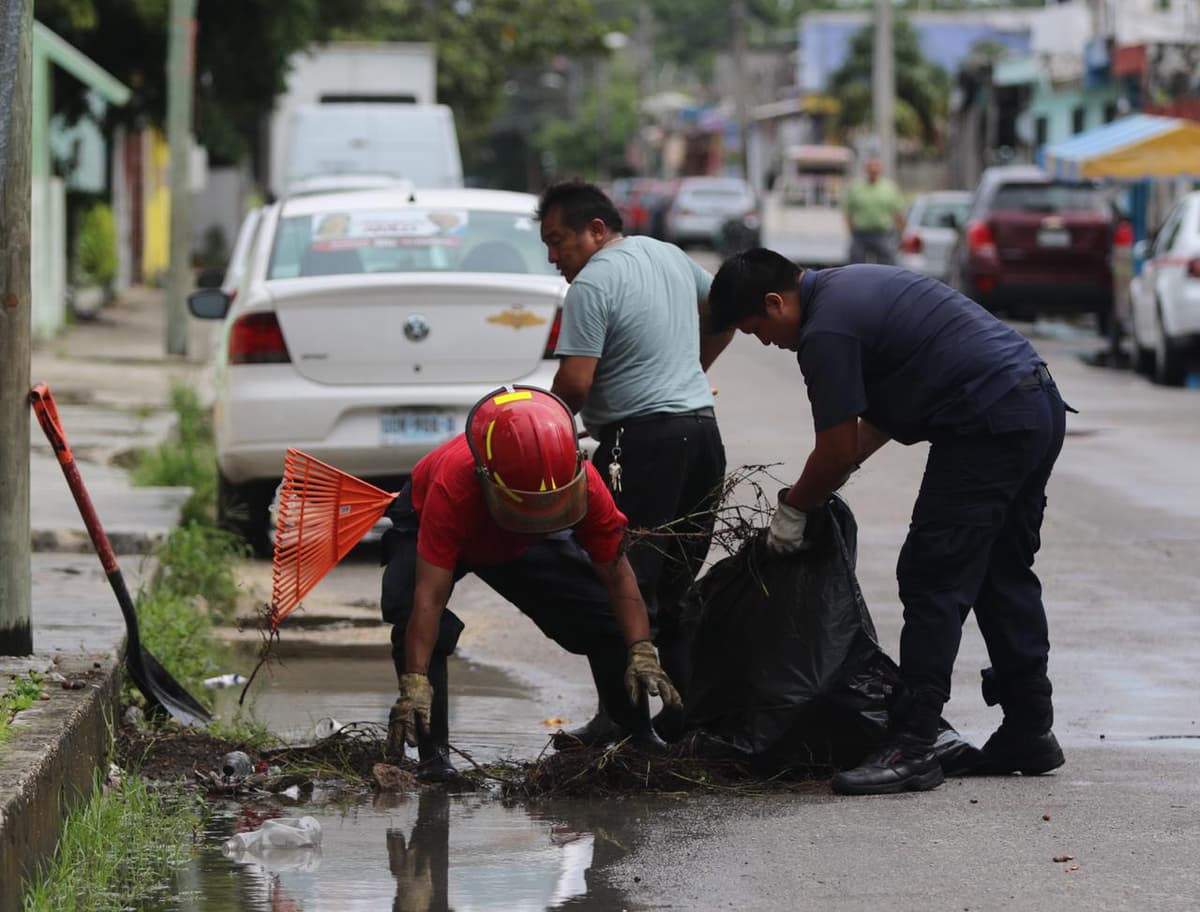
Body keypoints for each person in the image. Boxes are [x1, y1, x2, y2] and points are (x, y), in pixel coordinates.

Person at [707, 249, 1069, 796]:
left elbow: (833, 450)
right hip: (1036, 402)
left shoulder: (825, 331)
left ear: (776, 302)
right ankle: (1029, 728)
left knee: (932, 574)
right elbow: (861, 434)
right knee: (1001, 570)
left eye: (756, 328)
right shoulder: (850, 289)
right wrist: (821, 486)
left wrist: (794, 509)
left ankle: (913, 745)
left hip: (988, 420)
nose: (764, 342)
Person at [381, 385, 680, 781]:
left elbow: (617, 575)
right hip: (439, 522)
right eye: (531, 507)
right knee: (413, 622)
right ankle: (434, 760)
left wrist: (641, 650)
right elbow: (429, 597)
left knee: (604, 614)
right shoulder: (453, 486)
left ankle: (636, 734)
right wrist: (415, 682)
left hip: (520, 540)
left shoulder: (582, 481)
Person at [537, 179, 732, 744]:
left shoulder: (592, 283)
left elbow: (574, 383)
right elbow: (723, 311)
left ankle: (622, 725)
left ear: (596, 230)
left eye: (559, 241)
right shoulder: (668, 254)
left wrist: (539, 424)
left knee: (617, 580)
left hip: (638, 444)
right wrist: (693, 368)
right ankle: (681, 721)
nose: (554, 257)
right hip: (702, 437)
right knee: (674, 584)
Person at [844, 156, 905, 265]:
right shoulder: (855, 187)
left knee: (887, 267)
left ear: (880, 169)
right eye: (870, 166)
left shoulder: (889, 188)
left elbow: (898, 214)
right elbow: (848, 212)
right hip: (860, 235)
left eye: (876, 166)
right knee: (855, 267)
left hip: (882, 234)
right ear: (865, 169)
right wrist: (851, 231)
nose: (873, 169)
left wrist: (902, 235)